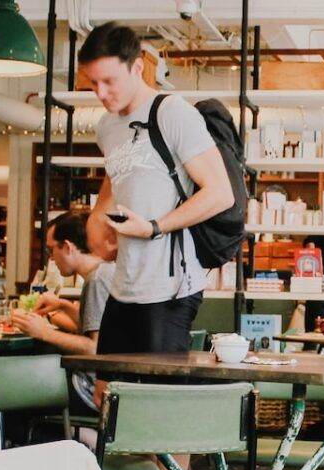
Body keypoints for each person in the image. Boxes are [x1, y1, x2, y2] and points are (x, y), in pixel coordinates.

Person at [79, 21, 232, 372]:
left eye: (109, 81)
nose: (101, 93)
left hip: (170, 289)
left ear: (136, 68)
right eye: (93, 83)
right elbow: (117, 173)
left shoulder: (172, 113)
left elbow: (219, 193)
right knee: (110, 394)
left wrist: (154, 227)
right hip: (123, 286)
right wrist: (97, 216)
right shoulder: (107, 126)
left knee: (156, 403)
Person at [12, 211, 113, 414]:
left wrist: (44, 333)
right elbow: (101, 329)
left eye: (52, 250)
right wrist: (63, 305)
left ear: (67, 247)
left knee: (18, 385)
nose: (51, 259)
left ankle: (84, 437)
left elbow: (95, 349)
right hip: (105, 384)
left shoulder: (96, 281)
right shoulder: (105, 271)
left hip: (91, 388)